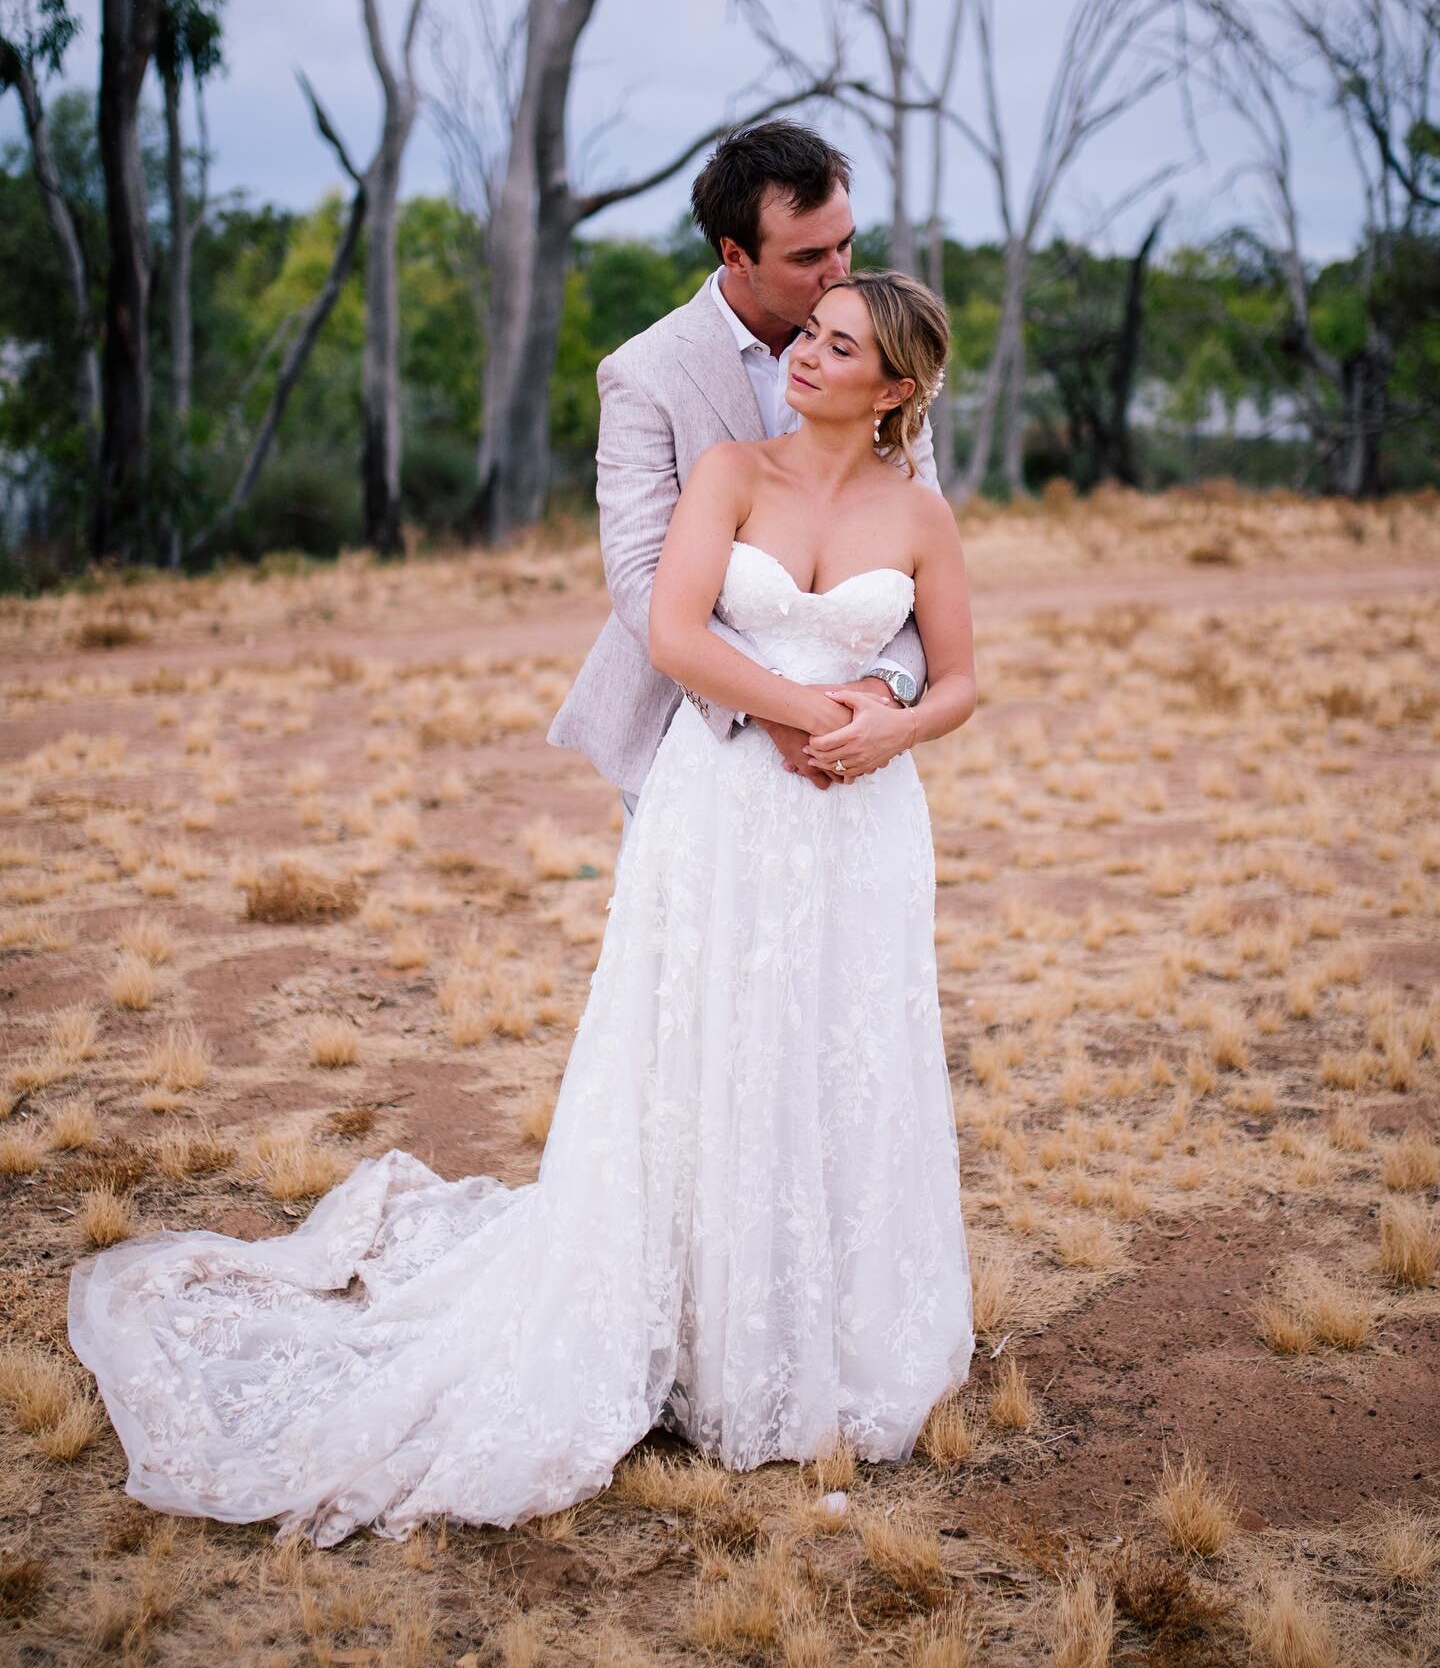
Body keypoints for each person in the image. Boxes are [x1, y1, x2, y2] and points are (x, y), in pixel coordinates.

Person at [66, 271, 976, 1552]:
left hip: (861, 826)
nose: (805, 357)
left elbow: (961, 680)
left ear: (896, 388)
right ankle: (705, 1335)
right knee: (702, 1048)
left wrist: (889, 729)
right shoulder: (730, 471)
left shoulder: (920, 512)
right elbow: (671, 632)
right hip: (724, 803)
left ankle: (832, 1330)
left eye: (837, 348)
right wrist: (801, 714)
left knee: (840, 1052)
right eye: (807, 335)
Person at [548, 120, 938, 839]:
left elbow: (916, 567)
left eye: (846, 241)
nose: (840, 272)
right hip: (689, 732)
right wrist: (776, 707)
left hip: (852, 743)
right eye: (809, 255)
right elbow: (641, 581)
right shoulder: (644, 373)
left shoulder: (882, 357)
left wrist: (885, 691)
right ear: (736, 254)